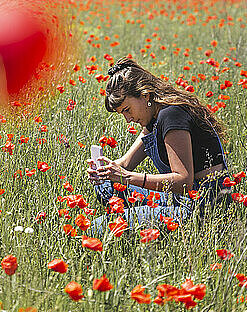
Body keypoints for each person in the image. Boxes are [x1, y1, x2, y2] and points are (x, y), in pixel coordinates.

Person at [86, 57, 231, 235]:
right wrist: (104, 170)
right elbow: (125, 165)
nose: (128, 119)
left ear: (144, 95)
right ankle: (138, 222)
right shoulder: (153, 118)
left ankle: (145, 228)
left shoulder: (172, 115)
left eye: (127, 110)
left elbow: (183, 181)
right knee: (105, 186)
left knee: (96, 228)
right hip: (179, 198)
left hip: (201, 206)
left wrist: (127, 177)